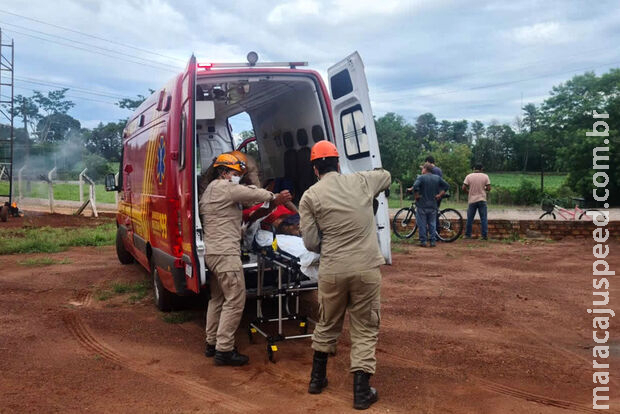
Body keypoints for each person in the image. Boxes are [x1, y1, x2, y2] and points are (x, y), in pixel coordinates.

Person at [299, 140, 391, 410]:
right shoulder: (362, 181)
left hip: (332, 270)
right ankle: (361, 392)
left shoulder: (309, 196)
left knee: (327, 322)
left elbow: (311, 243)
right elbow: (385, 176)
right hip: (365, 269)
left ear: (316, 169)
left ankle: (317, 380)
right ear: (338, 164)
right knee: (364, 328)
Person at [200, 153, 291, 366]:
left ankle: (211, 343)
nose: (237, 178)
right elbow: (250, 193)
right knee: (236, 299)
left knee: (218, 299)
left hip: (213, 253)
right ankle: (224, 350)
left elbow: (243, 216)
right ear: (223, 172)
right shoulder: (224, 187)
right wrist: (273, 197)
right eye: (234, 173)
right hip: (225, 254)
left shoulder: (209, 192)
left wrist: (264, 208)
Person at [411, 162, 449, 247]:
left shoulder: (421, 178)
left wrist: (416, 196)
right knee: (432, 223)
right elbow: (446, 186)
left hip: (422, 205)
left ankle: (423, 241)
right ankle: (432, 241)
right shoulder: (437, 178)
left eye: (422, 168)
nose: (422, 170)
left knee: (422, 224)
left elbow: (415, 186)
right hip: (433, 205)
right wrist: (439, 195)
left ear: (425, 169)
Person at [462, 163, 491, 240]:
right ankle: (484, 236)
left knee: (470, 219)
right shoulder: (485, 176)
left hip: (472, 200)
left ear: (474, 169)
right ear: (481, 169)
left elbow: (463, 187)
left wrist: (469, 192)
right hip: (482, 199)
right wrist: (484, 188)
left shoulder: (469, 176)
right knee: (483, 218)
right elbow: (489, 188)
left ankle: (468, 235)